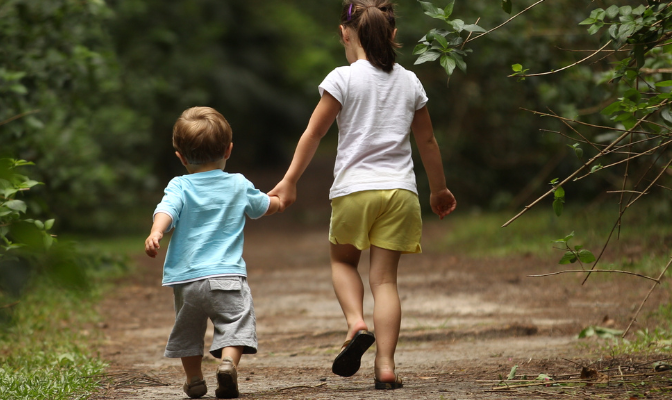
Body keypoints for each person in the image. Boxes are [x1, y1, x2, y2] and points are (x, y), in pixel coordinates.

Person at [268, 0, 457, 390]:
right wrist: (438, 189)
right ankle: (385, 365)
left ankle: (356, 323)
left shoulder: (343, 78)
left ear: (344, 33)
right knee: (385, 281)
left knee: (343, 262)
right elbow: (428, 141)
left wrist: (289, 180)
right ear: (393, 35)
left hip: (355, 191)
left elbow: (314, 133)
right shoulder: (410, 82)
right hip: (400, 193)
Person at [145, 106, 282, 399]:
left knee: (188, 331)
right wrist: (279, 202)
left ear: (180, 157)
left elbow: (166, 209)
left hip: (187, 281)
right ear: (229, 150)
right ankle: (228, 363)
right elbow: (263, 206)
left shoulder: (179, 185)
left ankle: (194, 379)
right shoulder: (238, 183)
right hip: (227, 276)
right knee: (236, 323)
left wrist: (157, 232)